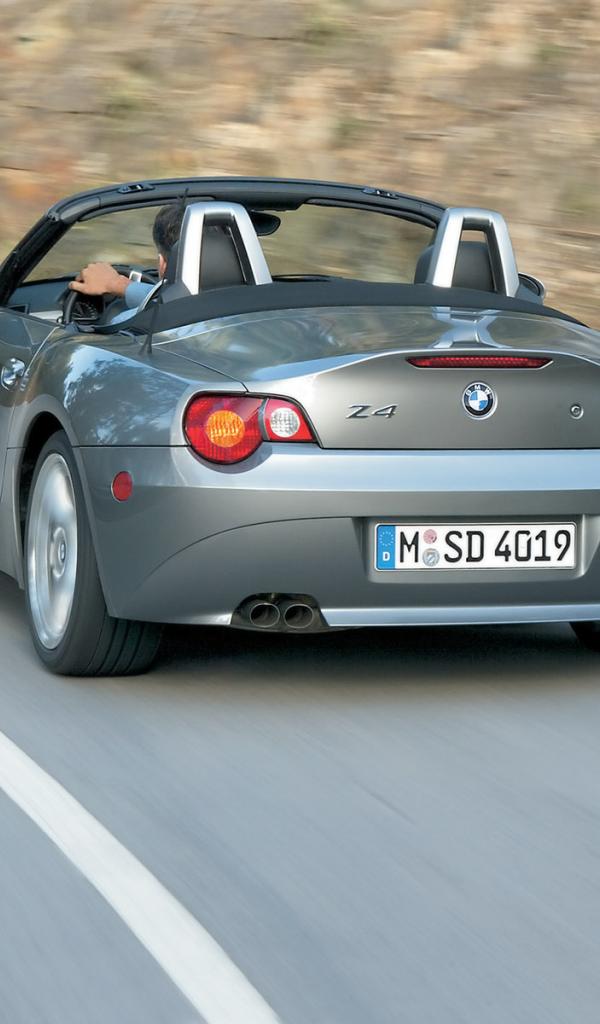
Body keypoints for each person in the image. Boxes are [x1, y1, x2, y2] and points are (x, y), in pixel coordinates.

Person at [68, 202, 185, 316]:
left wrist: (114, 284)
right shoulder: (193, 306)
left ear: (162, 264)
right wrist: (117, 284)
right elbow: (175, 301)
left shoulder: (131, 320)